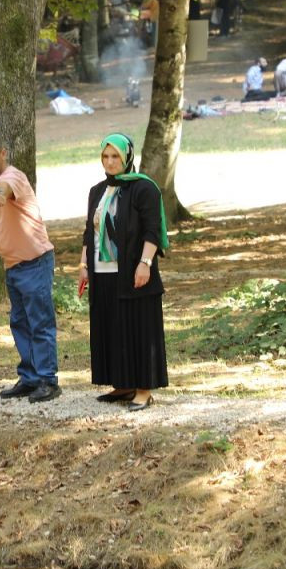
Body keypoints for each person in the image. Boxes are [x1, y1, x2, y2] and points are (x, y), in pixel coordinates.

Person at [78, 134, 168, 411]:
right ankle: (124, 383)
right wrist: (83, 267)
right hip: (103, 272)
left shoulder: (144, 189)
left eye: (115, 156)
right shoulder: (97, 190)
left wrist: (146, 263)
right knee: (113, 328)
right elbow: (88, 232)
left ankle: (143, 389)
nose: (109, 162)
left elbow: (152, 229)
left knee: (138, 327)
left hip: (133, 269)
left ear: (127, 157)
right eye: (105, 156)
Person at [0, 131, 60, 403]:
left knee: (40, 323)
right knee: (20, 323)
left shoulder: (13, 177)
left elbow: (2, 191)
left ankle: (48, 381)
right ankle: (30, 378)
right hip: (13, 266)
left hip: (34, 263)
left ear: (3, 153)